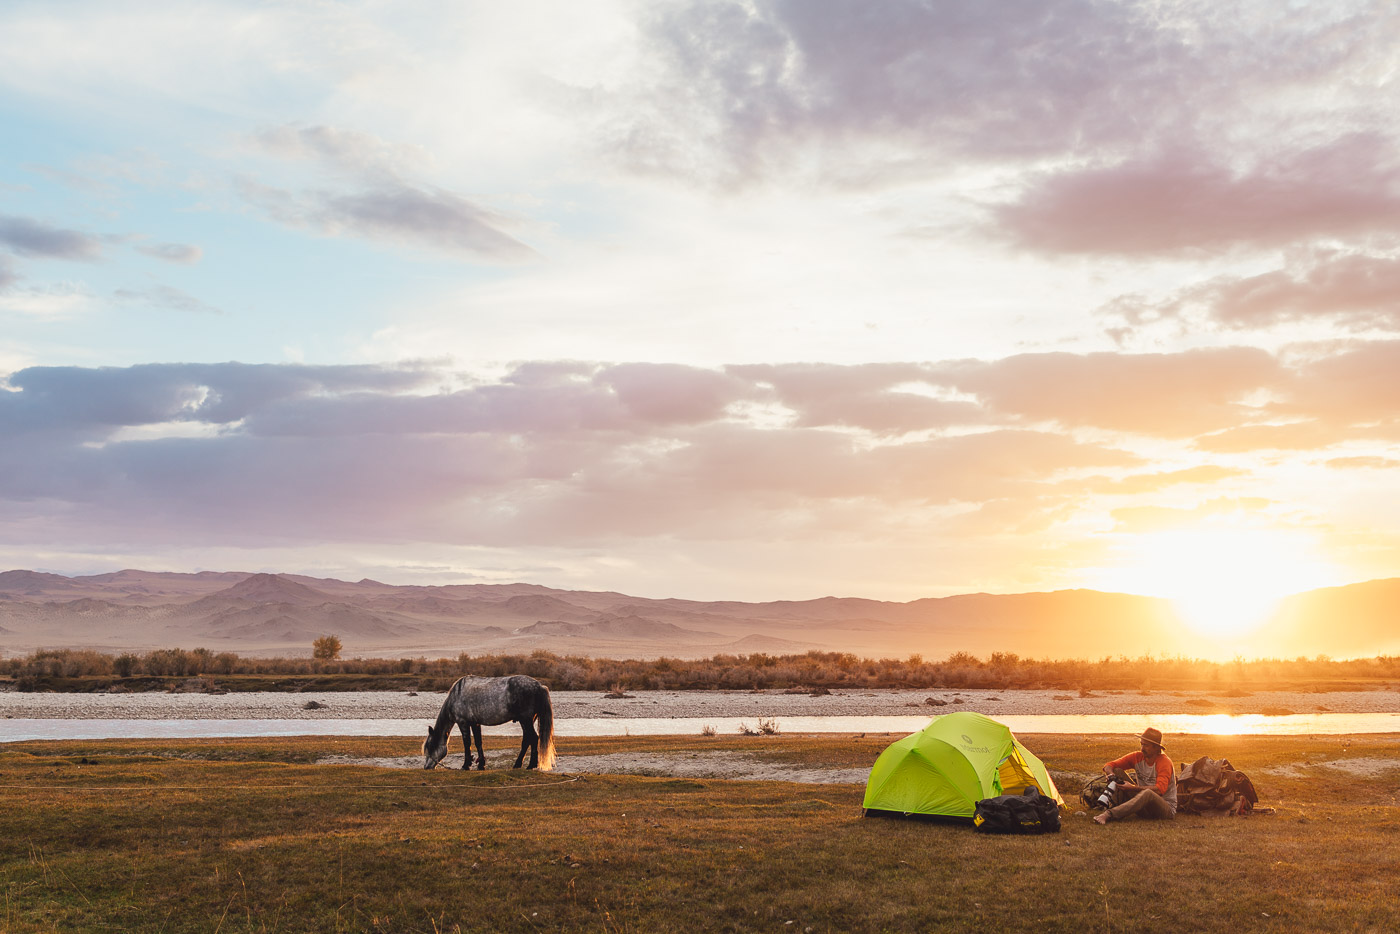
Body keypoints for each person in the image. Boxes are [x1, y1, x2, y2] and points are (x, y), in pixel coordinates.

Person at [1092, 727, 1176, 824]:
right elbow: (1109, 765)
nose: (1142, 748)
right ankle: (1111, 803)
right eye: (1141, 744)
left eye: (1146, 746)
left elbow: (1159, 790)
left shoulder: (1164, 762)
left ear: (1156, 748)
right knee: (1117, 771)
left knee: (1148, 793)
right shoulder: (1137, 757)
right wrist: (1111, 775)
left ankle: (1109, 814)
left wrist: (1132, 788)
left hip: (1165, 809)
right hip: (1143, 807)